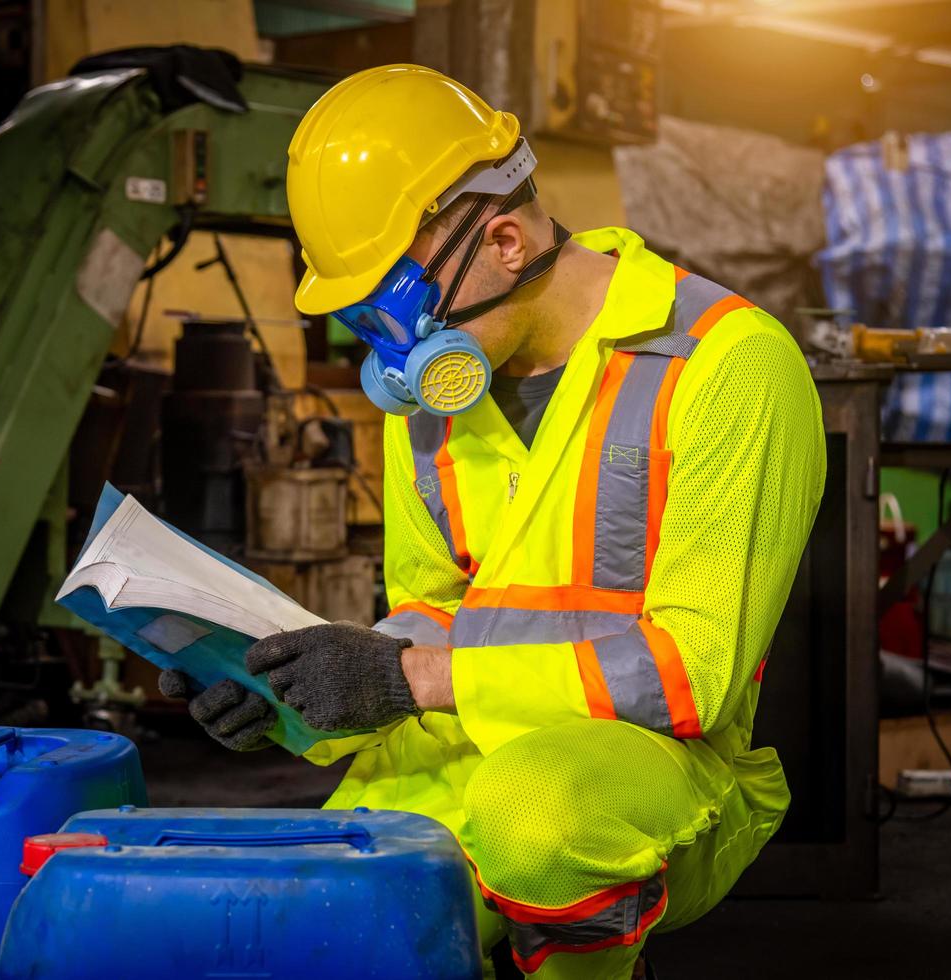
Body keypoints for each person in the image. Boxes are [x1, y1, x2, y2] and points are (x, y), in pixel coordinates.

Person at [159, 64, 825, 979]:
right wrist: (289, 696)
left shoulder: (727, 366)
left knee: (533, 817)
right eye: (360, 318)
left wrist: (412, 680)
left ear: (505, 240)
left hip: (656, 776)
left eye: (395, 308)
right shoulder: (432, 404)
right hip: (467, 748)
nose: (388, 350)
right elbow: (432, 617)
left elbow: (690, 679)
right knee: (323, 930)